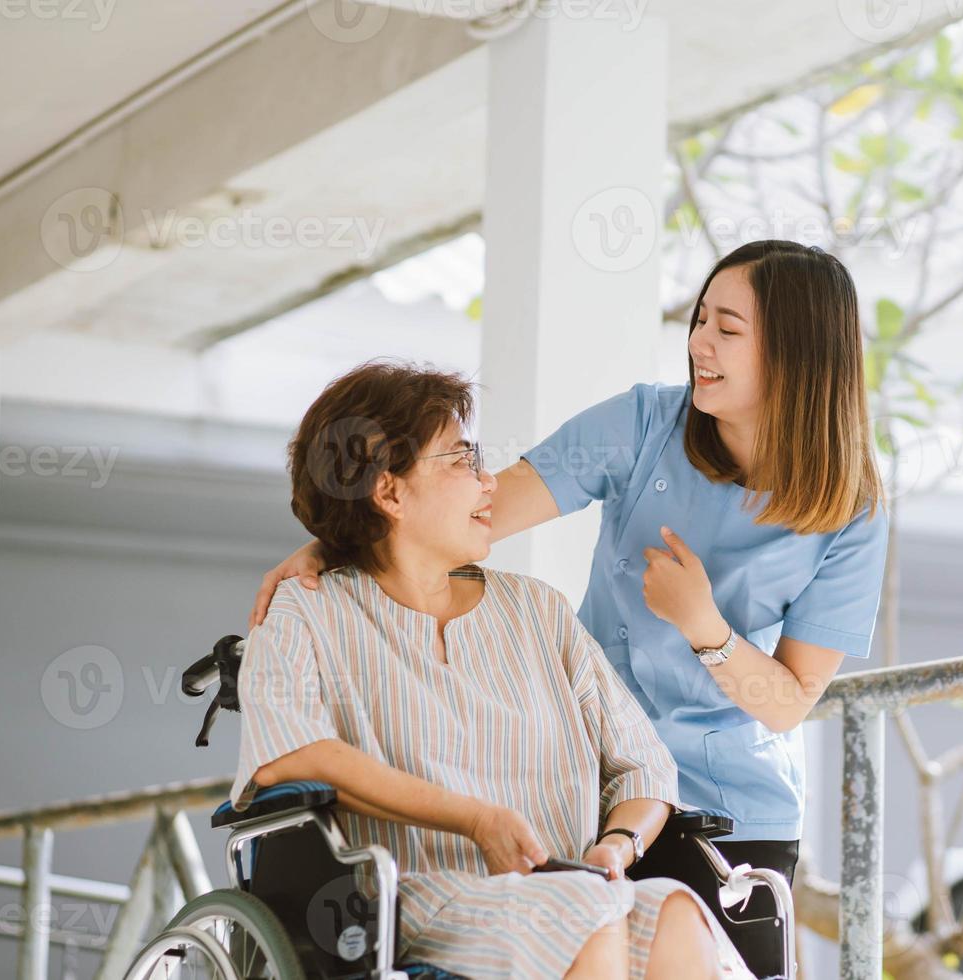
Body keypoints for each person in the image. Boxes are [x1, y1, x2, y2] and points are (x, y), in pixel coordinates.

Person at [250, 240, 889, 978]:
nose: (698, 344)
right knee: (589, 922)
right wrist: (338, 540)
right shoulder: (645, 425)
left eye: (728, 330)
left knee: (690, 941)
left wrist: (702, 624)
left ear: (797, 356)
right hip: (592, 788)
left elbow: (786, 705)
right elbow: (464, 520)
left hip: (732, 803)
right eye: (699, 319)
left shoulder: (851, 510)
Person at [233, 361, 751, 979]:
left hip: (573, 886)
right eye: (460, 461)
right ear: (389, 491)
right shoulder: (307, 610)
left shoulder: (536, 611)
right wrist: (475, 820)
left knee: (672, 912)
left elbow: (644, 766)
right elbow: (293, 755)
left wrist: (619, 845)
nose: (488, 485)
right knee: (579, 913)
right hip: (416, 897)